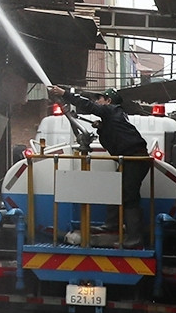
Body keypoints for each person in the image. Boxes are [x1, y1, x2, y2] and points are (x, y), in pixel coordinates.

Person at [49, 85, 150, 242]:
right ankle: (113, 225)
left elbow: (88, 105)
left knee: (129, 196)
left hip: (133, 159)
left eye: (100, 99)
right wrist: (103, 127)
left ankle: (135, 238)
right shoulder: (115, 115)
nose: (97, 102)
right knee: (116, 190)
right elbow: (116, 133)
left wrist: (64, 94)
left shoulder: (111, 110)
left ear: (108, 101)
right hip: (130, 159)